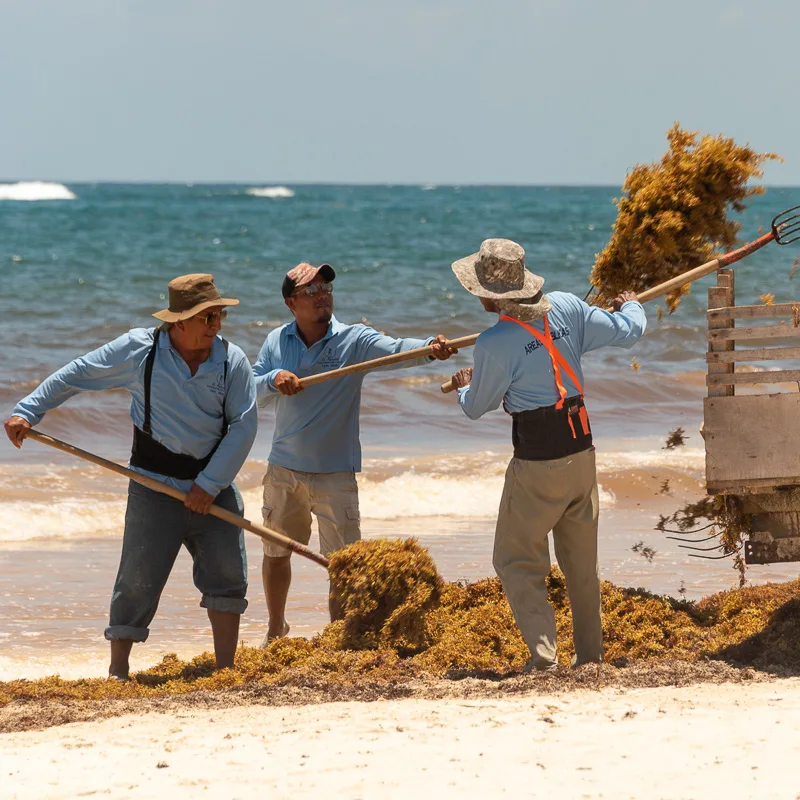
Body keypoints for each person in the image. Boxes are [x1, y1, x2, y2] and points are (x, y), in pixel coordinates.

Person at [3, 274, 258, 679]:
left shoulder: (232, 361)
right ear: (180, 322)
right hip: (153, 486)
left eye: (219, 315)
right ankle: (118, 672)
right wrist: (28, 411)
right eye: (208, 316)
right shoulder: (140, 351)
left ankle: (226, 669)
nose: (217, 324)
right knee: (137, 580)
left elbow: (243, 426)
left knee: (228, 576)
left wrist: (209, 486)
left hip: (213, 484)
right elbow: (77, 373)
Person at [446, 239, 646, 671]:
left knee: (516, 559)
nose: (477, 294)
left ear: (492, 294)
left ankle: (543, 658)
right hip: (582, 450)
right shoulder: (569, 307)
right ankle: (590, 657)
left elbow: (475, 407)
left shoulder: (493, 343)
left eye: (479, 287)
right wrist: (631, 305)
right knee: (581, 564)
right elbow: (628, 331)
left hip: (538, 459)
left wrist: (465, 383)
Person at [253, 262, 456, 644]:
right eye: (311, 291)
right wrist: (274, 379)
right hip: (284, 470)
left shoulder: (353, 340)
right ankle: (275, 629)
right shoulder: (276, 341)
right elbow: (252, 389)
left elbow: (396, 351)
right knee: (276, 552)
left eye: (326, 287)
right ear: (290, 303)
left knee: (344, 565)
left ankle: (339, 635)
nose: (322, 295)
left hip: (336, 473)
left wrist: (431, 348)